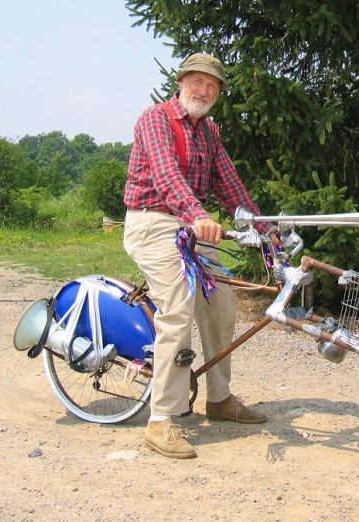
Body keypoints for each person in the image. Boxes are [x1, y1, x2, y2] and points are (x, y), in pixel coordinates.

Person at [123, 52, 279, 459]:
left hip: (191, 228)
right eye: (197, 81)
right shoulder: (156, 118)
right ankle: (160, 420)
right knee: (177, 306)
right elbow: (166, 175)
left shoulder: (209, 131)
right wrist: (197, 214)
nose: (204, 90)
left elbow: (232, 185)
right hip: (154, 223)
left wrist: (266, 231)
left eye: (212, 86)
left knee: (222, 304)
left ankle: (220, 399)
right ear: (182, 82)